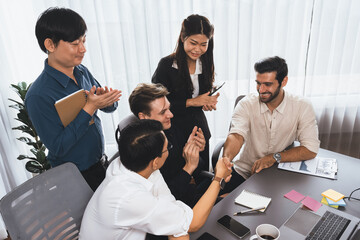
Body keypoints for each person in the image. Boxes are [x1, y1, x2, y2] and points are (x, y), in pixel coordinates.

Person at [79, 119, 232, 240]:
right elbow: (193, 223)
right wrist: (218, 178)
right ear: (155, 161)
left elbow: (170, 205)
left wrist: (179, 228)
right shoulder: (128, 196)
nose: (169, 150)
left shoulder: (135, 164)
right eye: (168, 148)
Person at [25, 7, 122, 191]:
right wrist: (89, 108)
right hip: (75, 179)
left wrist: (107, 101)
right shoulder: (38, 95)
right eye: (75, 44)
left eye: (84, 41)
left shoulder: (81, 71)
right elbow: (58, 147)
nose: (83, 49)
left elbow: (106, 107)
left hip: (100, 164)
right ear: (50, 45)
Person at [221, 56, 320, 193]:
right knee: (208, 204)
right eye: (258, 83)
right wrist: (226, 159)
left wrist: (274, 157)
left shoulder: (302, 106)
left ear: (283, 81)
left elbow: (311, 149)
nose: (261, 90)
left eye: (267, 84)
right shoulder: (246, 104)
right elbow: (237, 135)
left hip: (277, 176)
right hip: (244, 173)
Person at [152, 14, 219, 171]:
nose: (198, 49)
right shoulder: (166, 65)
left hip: (198, 129)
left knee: (200, 176)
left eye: (204, 44)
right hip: (172, 130)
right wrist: (193, 102)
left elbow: (200, 98)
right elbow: (156, 104)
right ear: (183, 38)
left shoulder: (206, 63)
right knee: (180, 177)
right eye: (193, 43)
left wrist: (207, 102)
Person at [129, 83, 210, 208]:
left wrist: (195, 151)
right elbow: (164, 199)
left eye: (169, 108)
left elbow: (199, 167)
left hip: (190, 191)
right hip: (175, 206)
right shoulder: (142, 152)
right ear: (143, 117)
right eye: (163, 112)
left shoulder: (171, 128)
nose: (170, 115)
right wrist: (188, 168)